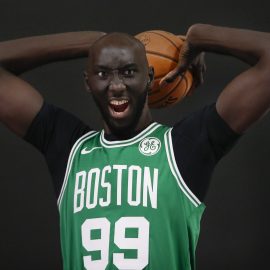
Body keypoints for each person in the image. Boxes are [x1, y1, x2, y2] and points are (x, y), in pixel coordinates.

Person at [0, 24, 269, 270]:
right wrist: (93, 42)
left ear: (149, 77)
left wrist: (200, 36)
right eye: (103, 73)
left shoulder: (184, 148)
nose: (116, 86)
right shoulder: (70, 149)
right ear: (88, 82)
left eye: (129, 72)